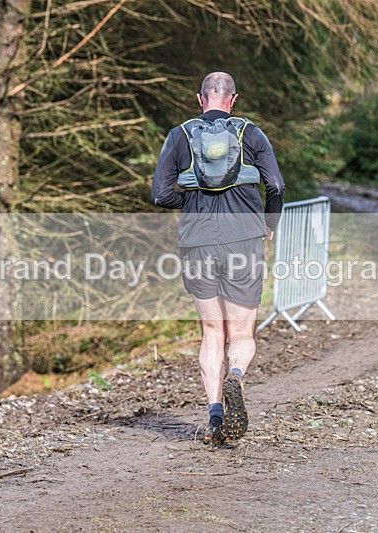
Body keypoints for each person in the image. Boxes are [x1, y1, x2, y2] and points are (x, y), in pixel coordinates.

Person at [151, 72, 285, 444]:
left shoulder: (179, 135)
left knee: (212, 331)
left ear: (200, 99)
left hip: (197, 241)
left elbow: (160, 195)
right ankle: (236, 376)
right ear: (233, 99)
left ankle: (214, 418)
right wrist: (269, 222)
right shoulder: (251, 134)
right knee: (241, 333)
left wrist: (189, 200)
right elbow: (275, 185)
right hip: (243, 238)